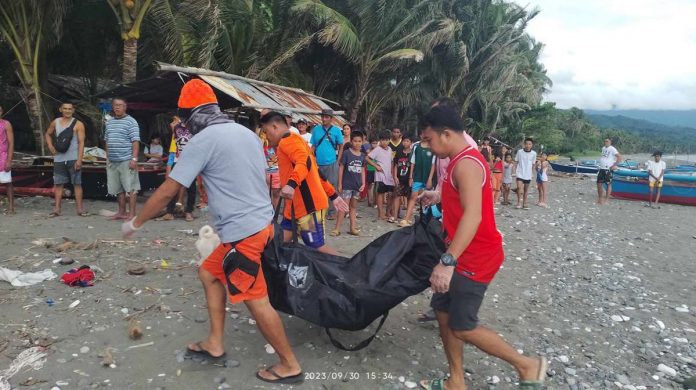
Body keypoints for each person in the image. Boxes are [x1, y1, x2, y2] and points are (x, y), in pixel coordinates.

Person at [121, 80, 303, 385]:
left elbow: (169, 189)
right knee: (209, 273)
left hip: (243, 232)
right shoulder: (246, 133)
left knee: (255, 298)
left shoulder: (202, 141)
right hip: (260, 225)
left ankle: (289, 364)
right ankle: (215, 343)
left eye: (185, 119)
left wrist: (136, 223)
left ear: (191, 115)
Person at [416, 105, 547, 390]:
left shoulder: (466, 163)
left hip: (475, 256)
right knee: (442, 311)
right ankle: (456, 381)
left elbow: (473, 216)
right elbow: (464, 197)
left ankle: (527, 365)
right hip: (462, 250)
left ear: (446, 134)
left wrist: (447, 262)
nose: (426, 146)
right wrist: (438, 195)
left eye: (428, 139)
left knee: (463, 325)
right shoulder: (459, 161)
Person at [261, 111, 349, 255]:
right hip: (294, 208)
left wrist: (291, 184)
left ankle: (347, 270)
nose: (265, 136)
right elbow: (316, 171)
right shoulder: (297, 139)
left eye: (266, 131)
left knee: (317, 247)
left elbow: (305, 162)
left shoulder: (288, 141)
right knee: (279, 242)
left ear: (275, 127)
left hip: (308, 208)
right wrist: (333, 195)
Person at [45, 102, 88, 217]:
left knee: (77, 183)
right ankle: (57, 209)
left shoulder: (78, 124)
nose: (67, 111)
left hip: (73, 158)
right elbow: (48, 134)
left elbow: (81, 142)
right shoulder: (56, 122)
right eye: (65, 108)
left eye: (70, 109)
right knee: (58, 184)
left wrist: (79, 160)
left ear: (73, 110)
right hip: (59, 158)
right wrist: (50, 146)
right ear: (60, 109)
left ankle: (80, 209)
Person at [104, 98, 140, 220]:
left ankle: (132, 213)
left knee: (131, 188)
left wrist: (134, 159)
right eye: (115, 105)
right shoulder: (109, 122)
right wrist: (107, 157)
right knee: (118, 188)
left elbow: (135, 141)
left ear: (125, 107)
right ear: (112, 107)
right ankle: (121, 212)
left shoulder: (131, 121)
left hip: (126, 159)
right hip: (112, 160)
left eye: (120, 105)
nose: (117, 107)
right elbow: (107, 140)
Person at [310, 110, 343, 219]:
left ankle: (332, 211)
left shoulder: (337, 130)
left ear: (331, 118)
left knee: (332, 186)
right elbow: (313, 145)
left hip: (332, 162)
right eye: (323, 117)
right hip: (318, 163)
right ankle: (320, 209)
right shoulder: (316, 130)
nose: (324, 119)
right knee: (318, 187)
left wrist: (338, 160)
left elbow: (341, 145)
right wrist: (311, 158)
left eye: (326, 117)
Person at [331, 130, 366, 236]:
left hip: (357, 186)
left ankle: (353, 228)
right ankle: (337, 229)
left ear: (362, 142)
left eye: (359, 141)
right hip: (346, 185)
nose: (357, 143)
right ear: (351, 141)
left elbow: (363, 170)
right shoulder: (347, 153)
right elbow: (341, 168)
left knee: (353, 207)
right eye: (355, 141)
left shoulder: (362, 156)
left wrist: (363, 183)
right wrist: (340, 184)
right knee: (343, 207)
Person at [399, 130, 436, 227]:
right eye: (422, 133)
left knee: (427, 199)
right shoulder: (416, 146)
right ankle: (406, 219)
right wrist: (411, 176)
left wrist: (430, 179)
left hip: (428, 177)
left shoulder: (434, 147)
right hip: (417, 176)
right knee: (413, 197)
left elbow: (433, 164)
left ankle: (426, 221)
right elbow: (412, 162)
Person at [162, 116, 196, 222]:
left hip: (191, 162)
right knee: (173, 187)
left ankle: (189, 212)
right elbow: (174, 146)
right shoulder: (176, 128)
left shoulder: (195, 128)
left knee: (191, 189)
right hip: (178, 161)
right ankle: (170, 212)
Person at [367, 130, 395, 221]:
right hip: (380, 175)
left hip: (389, 175)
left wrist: (392, 173)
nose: (384, 142)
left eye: (386, 140)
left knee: (391, 194)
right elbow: (367, 158)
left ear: (389, 140)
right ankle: (380, 214)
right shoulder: (377, 149)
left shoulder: (390, 149)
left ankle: (387, 211)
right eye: (383, 140)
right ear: (380, 140)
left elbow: (391, 161)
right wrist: (376, 166)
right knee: (380, 194)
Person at [392, 133, 413, 221]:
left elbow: (413, 165)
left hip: (408, 179)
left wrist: (411, 178)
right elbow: (396, 165)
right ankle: (395, 215)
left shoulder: (412, 154)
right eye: (404, 141)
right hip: (399, 178)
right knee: (397, 196)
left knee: (409, 198)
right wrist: (395, 176)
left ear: (411, 143)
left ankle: (407, 217)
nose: (405, 143)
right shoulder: (399, 152)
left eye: (407, 141)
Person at [513, 138, 537, 210]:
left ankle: (525, 202)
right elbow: (516, 161)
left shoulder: (534, 153)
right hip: (520, 173)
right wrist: (514, 171)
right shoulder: (519, 152)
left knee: (526, 190)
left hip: (528, 174)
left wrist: (532, 173)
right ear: (524, 144)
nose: (528, 145)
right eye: (526, 144)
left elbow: (533, 164)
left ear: (532, 145)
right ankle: (519, 202)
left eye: (529, 144)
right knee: (519, 188)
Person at [597, 138, 621, 205]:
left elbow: (619, 157)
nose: (605, 142)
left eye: (607, 141)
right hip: (601, 168)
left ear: (610, 142)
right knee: (599, 184)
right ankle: (600, 199)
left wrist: (614, 165)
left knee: (608, 184)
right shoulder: (603, 148)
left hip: (608, 169)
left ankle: (607, 200)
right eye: (605, 141)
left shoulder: (612, 149)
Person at [0, 106, 14, 214]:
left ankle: (11, 207)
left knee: (7, 183)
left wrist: (9, 160)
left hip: (3, 156)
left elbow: (11, 143)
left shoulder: (6, 124)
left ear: (2, 112)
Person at [363, 137, 378, 207]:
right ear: (370, 143)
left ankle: (375, 201)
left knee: (376, 186)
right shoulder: (368, 151)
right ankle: (369, 201)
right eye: (373, 143)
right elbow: (365, 161)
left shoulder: (379, 151)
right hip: (369, 169)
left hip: (377, 170)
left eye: (375, 143)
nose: (374, 145)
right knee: (370, 186)